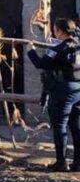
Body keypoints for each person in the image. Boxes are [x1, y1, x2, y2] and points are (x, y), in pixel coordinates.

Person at [26, 18, 80, 172]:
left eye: (55, 29)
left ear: (60, 32)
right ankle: (78, 162)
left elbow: (40, 63)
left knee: (60, 127)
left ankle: (61, 163)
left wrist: (30, 50)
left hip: (62, 91)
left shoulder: (58, 49)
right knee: (76, 127)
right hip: (78, 90)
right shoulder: (77, 46)